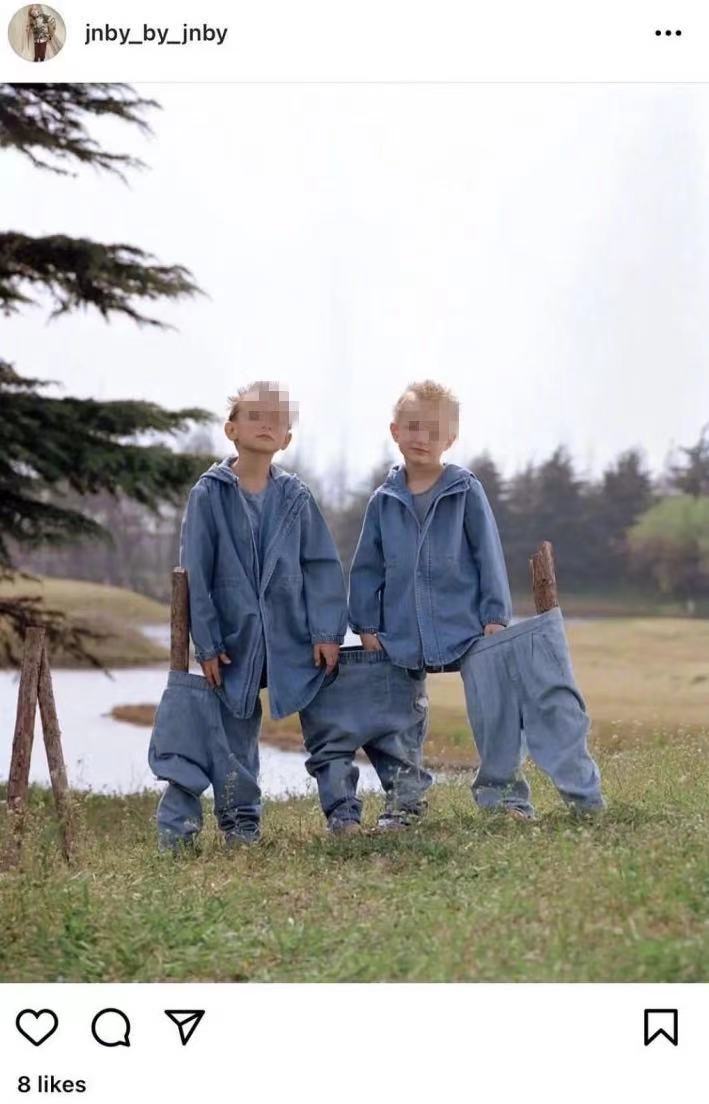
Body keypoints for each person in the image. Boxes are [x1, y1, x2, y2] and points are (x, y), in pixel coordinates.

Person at [348, 379, 604, 819]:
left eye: (434, 431)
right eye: (413, 427)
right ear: (395, 431)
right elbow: (366, 567)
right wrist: (366, 625)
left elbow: (488, 553)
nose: (422, 438)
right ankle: (404, 803)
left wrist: (494, 615)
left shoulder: (465, 490)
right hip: (400, 632)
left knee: (494, 711)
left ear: (450, 439)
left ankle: (503, 798)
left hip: (466, 625)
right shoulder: (382, 501)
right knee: (399, 719)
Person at [149, 381, 347, 850]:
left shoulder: (296, 497)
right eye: (255, 416)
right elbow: (196, 573)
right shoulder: (209, 495)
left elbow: (321, 565)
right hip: (233, 640)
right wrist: (208, 643)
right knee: (234, 731)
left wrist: (326, 630)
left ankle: (343, 811)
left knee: (328, 720)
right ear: (231, 430)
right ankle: (241, 824)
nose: (266, 425)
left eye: (277, 420)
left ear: (287, 438)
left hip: (293, 635)